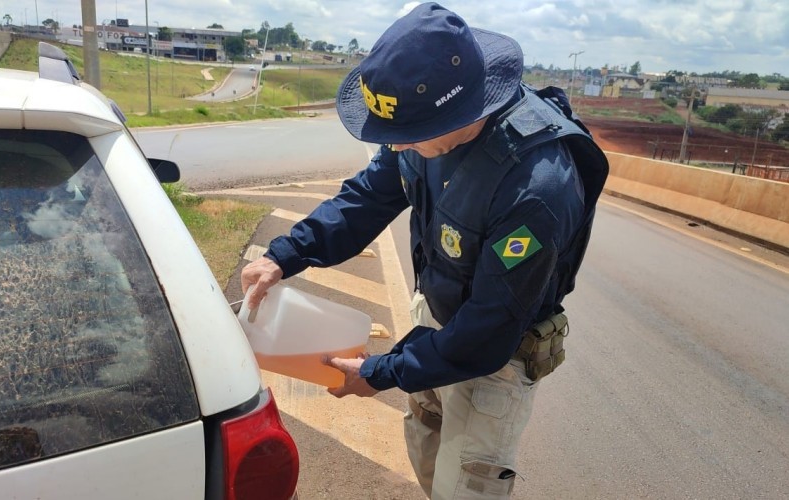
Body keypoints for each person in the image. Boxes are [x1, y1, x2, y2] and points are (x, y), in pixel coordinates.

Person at [241, 3, 609, 498]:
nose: (394, 149)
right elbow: (367, 198)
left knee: (468, 487)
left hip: (494, 358)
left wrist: (382, 372)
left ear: (460, 111)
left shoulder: (534, 189)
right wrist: (284, 255)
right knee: (427, 447)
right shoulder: (422, 132)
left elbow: (488, 329)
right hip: (434, 320)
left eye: (404, 139)